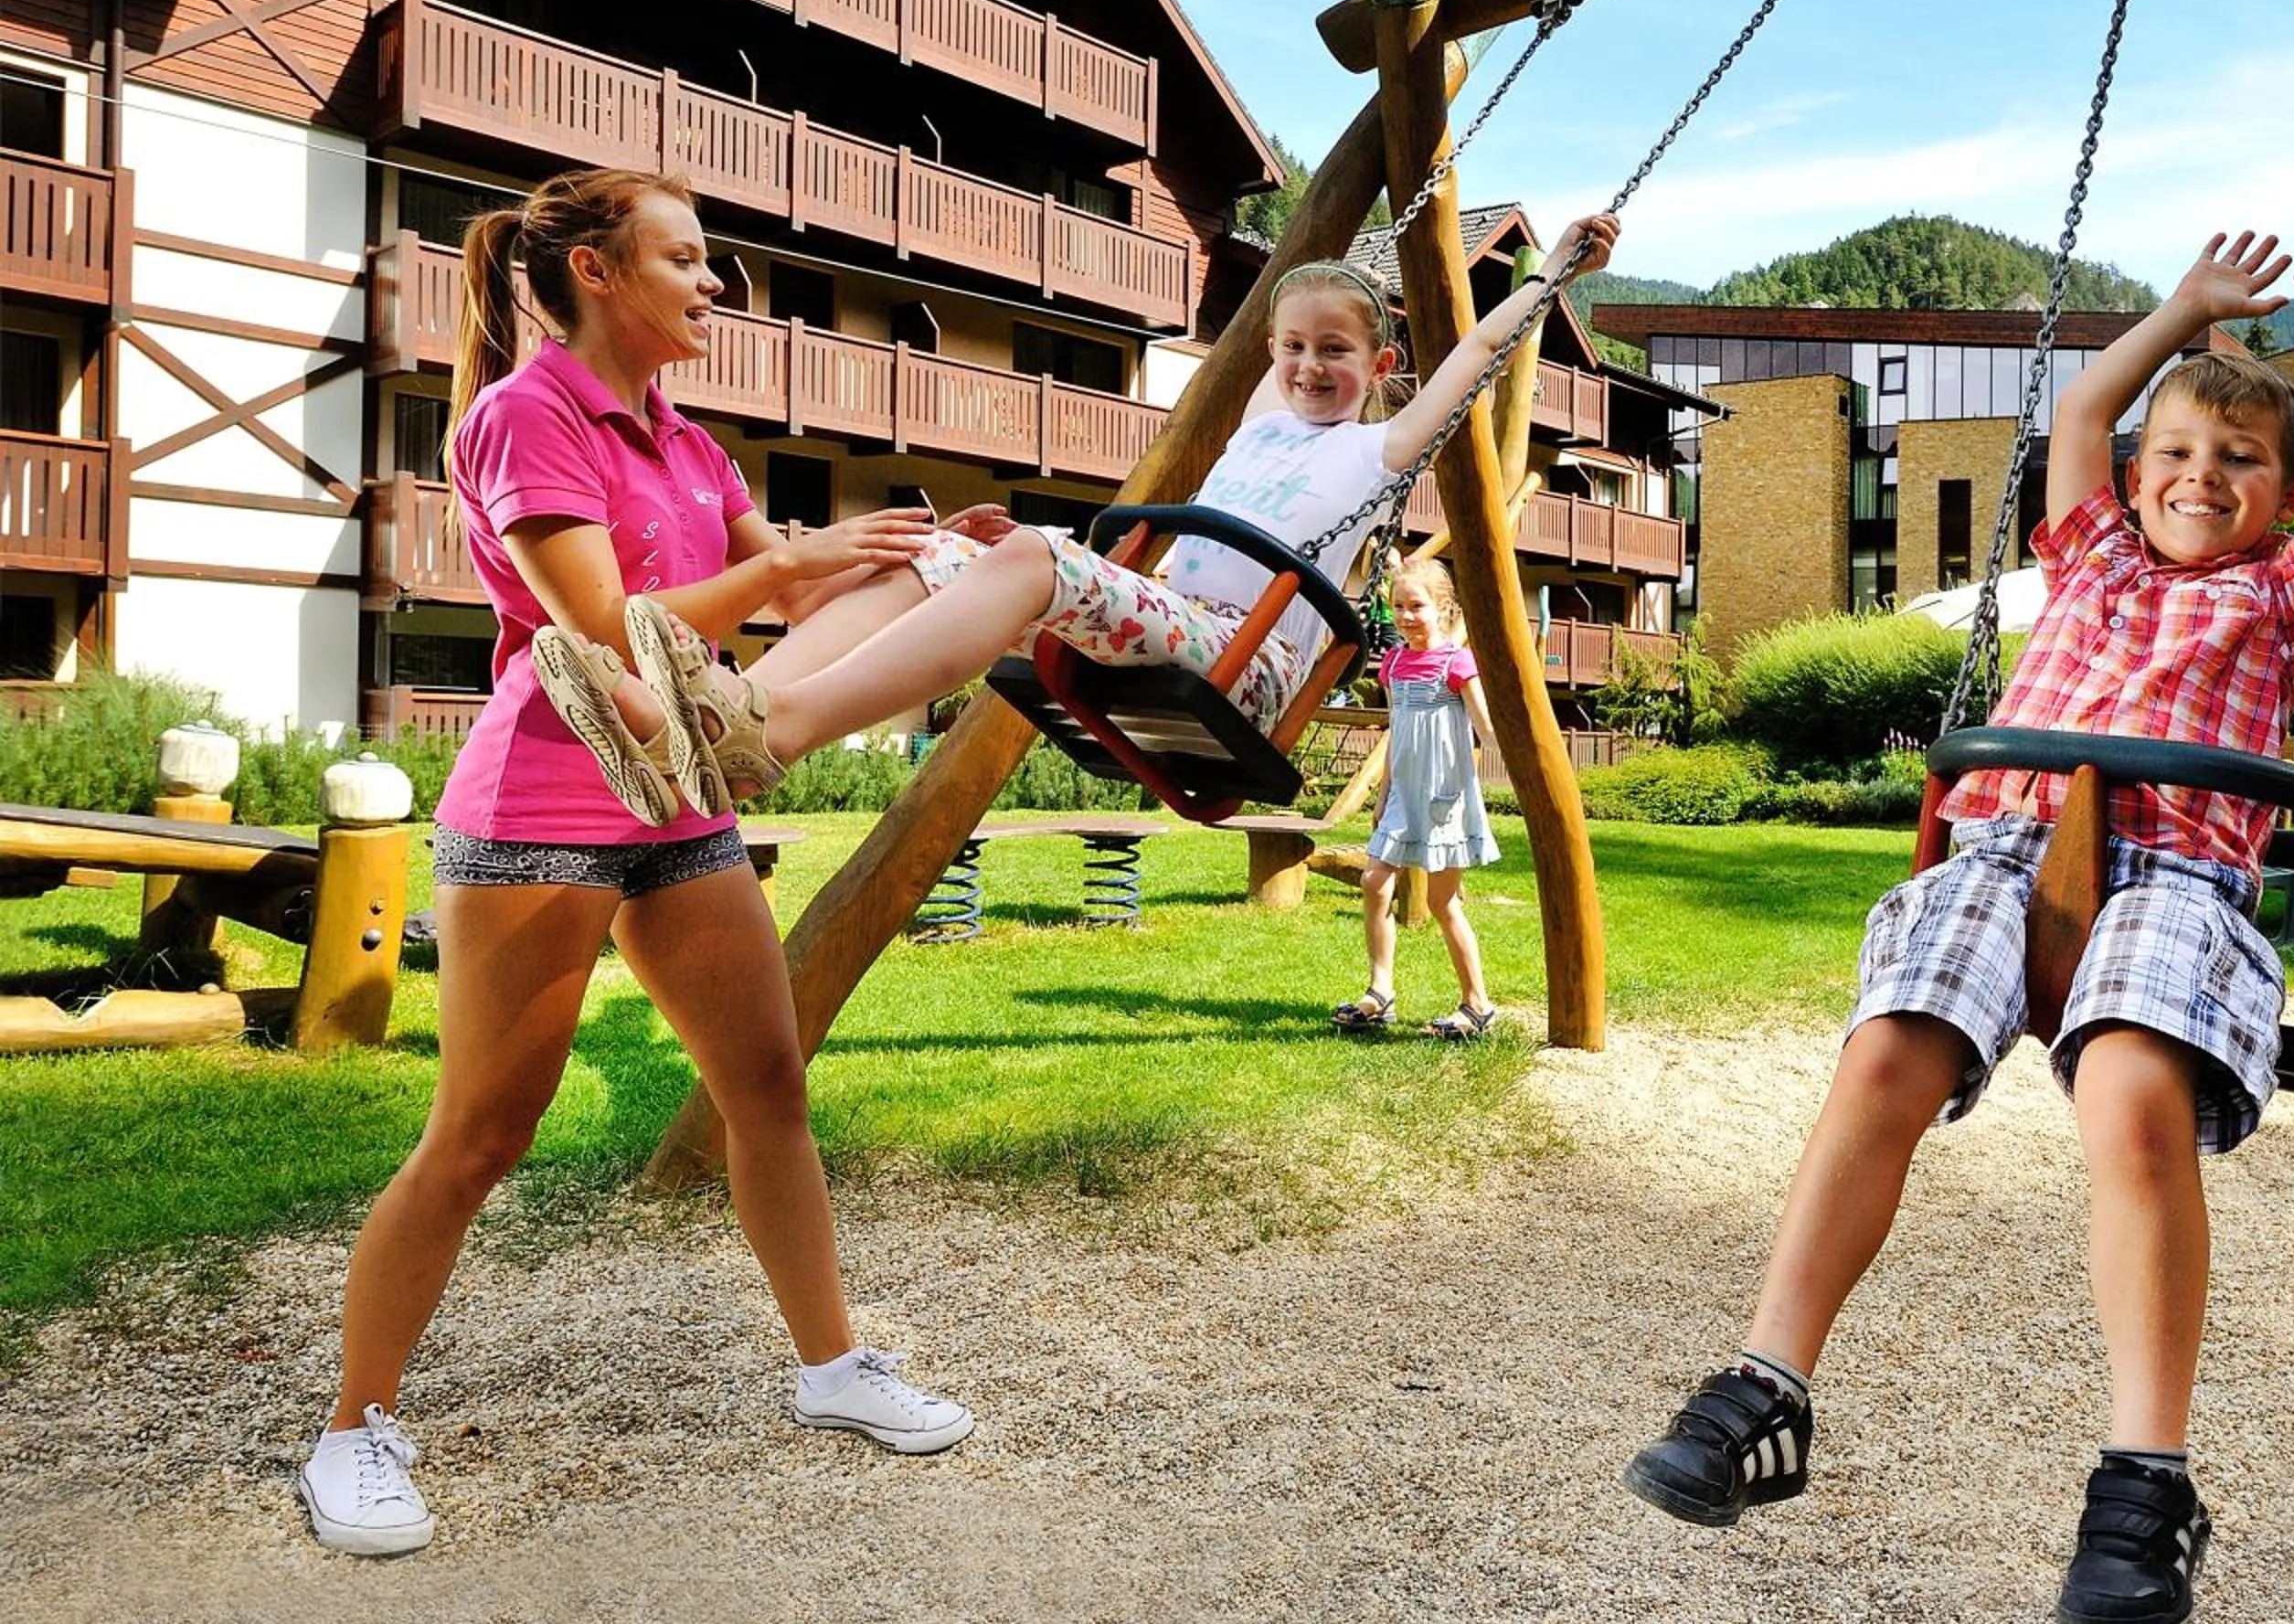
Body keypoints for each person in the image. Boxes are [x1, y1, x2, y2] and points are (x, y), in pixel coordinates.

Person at [1620, 225, 2294, 1624]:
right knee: (1884, 1060)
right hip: (2003, 851)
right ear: (2135, 475)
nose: (2199, 477)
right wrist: (2183, 309)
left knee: (2130, 1102)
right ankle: (1764, 1384)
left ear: (2284, 497)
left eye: (2240, 463)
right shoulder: (2091, 555)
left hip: (2176, 877)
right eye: (2178, 452)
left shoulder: (2290, 603)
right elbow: (2082, 411)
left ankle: (2144, 1480)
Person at [300, 169, 990, 1559]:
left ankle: (832, 1368)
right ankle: (351, 1433)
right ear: (600, 275)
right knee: (483, 1136)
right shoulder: (522, 416)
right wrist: (792, 568)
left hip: (676, 806)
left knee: (769, 1083)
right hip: (543, 804)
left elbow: (779, 593)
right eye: (688, 258)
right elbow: (605, 629)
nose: (715, 284)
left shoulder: (694, 444)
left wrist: (915, 560)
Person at [532, 218, 1623, 828]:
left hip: (1234, 666)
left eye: (1337, 353)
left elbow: (1473, 360)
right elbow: (1277, 325)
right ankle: (736, 712)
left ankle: (779, 732)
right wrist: (1326, 263)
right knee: (936, 545)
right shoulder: (1263, 420)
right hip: (1170, 625)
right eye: (1295, 348)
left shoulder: (1379, 450)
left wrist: (1551, 273)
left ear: (1382, 367)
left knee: (1038, 555)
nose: (1309, 367)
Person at [1331, 557, 1503, 1040]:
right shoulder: (1394, 663)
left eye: (1418, 606)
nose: (1407, 616)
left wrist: (1518, 751)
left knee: (1443, 902)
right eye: (1399, 606)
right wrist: (1383, 795)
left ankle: (1477, 1004)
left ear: (1443, 608)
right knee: (1373, 881)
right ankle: (1379, 990)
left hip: (1444, 797)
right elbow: (1398, 735)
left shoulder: (1457, 662)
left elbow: (1487, 730)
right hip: (1403, 795)